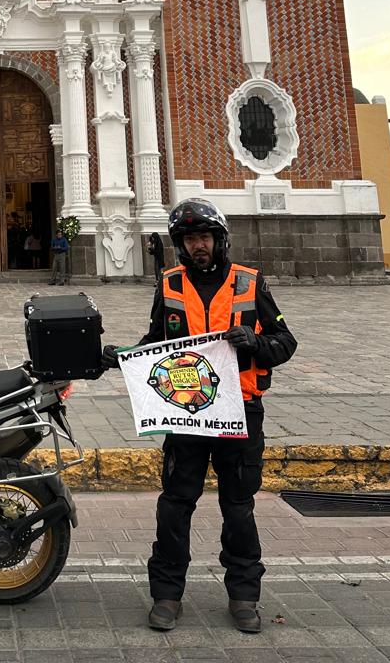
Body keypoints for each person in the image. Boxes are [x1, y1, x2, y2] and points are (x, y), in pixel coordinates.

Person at [103, 198, 297, 636]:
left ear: (220, 240)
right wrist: (125, 358)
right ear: (180, 246)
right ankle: (167, 595)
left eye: (205, 237)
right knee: (174, 507)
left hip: (241, 414)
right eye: (190, 239)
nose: (198, 246)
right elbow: (156, 341)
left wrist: (254, 342)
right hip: (186, 416)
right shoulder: (169, 285)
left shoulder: (250, 283)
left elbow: (286, 342)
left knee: (239, 508)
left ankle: (244, 595)